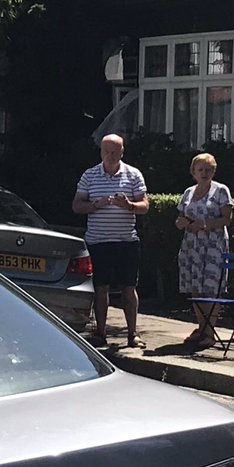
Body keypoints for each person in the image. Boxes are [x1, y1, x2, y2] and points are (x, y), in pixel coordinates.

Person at [72, 134, 149, 349]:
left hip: (126, 240)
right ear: (101, 152)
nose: (111, 156)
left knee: (128, 288)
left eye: (115, 152)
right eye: (107, 151)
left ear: (122, 152)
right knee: (100, 288)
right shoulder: (90, 175)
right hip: (98, 241)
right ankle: (100, 332)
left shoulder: (133, 175)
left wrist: (129, 206)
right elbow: (77, 206)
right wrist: (96, 205)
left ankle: (133, 333)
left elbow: (145, 205)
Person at [175, 152, 233, 352]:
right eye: (201, 170)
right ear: (194, 172)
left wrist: (205, 224)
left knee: (210, 286)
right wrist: (181, 223)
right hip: (191, 245)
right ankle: (201, 327)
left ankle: (209, 332)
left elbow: (227, 219)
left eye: (209, 170)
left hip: (213, 245)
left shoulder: (221, 191)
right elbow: (181, 216)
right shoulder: (188, 192)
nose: (205, 173)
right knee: (195, 286)